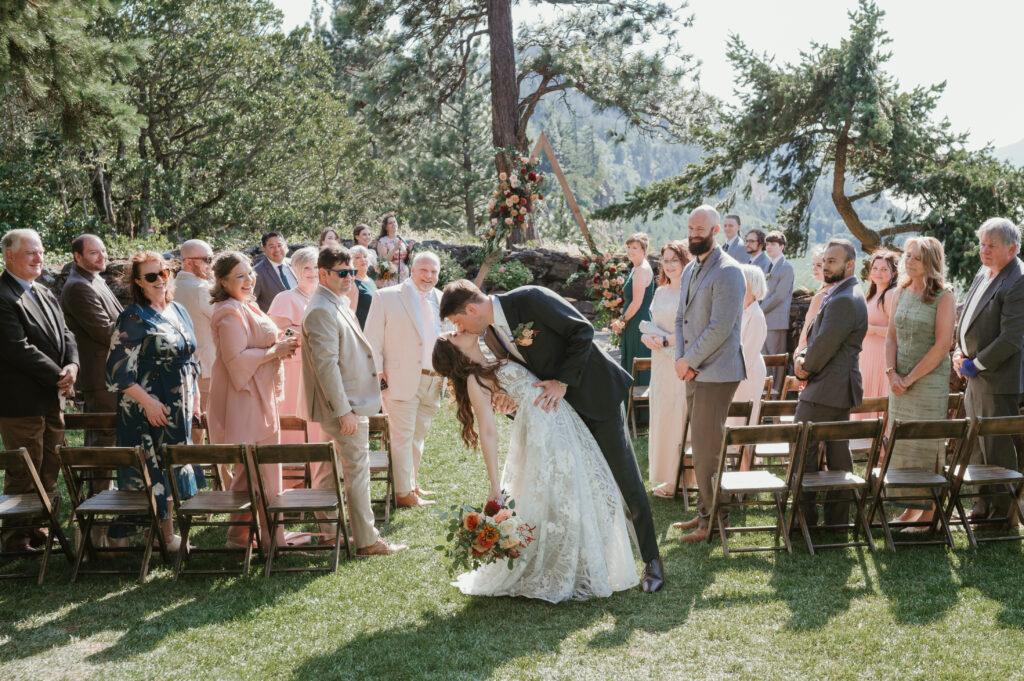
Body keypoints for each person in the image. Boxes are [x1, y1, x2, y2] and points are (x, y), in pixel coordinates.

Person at [439, 279, 664, 593]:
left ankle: (652, 561)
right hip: (562, 418)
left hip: (595, 396)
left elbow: (582, 331)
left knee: (625, 481)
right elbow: (526, 374)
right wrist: (511, 400)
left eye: (457, 321)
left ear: (471, 308)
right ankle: (592, 563)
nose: (458, 327)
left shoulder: (530, 299)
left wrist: (562, 382)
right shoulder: (489, 334)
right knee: (585, 489)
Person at [301, 245, 407, 556]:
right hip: (342, 404)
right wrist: (344, 410)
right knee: (356, 471)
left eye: (353, 272)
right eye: (343, 273)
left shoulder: (337, 302)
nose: (351, 277)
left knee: (327, 469)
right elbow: (327, 366)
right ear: (323, 274)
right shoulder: (321, 309)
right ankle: (367, 540)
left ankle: (328, 533)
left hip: (346, 401)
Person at [106, 251, 203, 550]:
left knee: (173, 461)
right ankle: (164, 535)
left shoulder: (179, 310)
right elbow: (116, 372)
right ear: (139, 282)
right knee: (155, 464)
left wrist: (196, 398)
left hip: (181, 403)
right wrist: (147, 402)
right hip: (150, 404)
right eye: (151, 276)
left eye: (164, 273)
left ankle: (163, 534)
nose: (160, 280)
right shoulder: (133, 316)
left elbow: (191, 359)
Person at [207, 251, 298, 548]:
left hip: (260, 392)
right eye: (240, 276)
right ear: (223, 281)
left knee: (251, 469)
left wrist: (281, 343)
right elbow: (235, 360)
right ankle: (274, 538)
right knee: (262, 467)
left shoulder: (248, 305)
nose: (249, 280)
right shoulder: (228, 312)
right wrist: (276, 352)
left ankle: (240, 535)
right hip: (243, 397)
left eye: (250, 273)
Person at [0, 229, 79, 552]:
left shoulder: (44, 291)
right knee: (24, 468)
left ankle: (37, 527)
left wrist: (72, 365)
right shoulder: (2, 295)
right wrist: (58, 375)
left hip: (51, 397)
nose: (39, 258)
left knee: (49, 464)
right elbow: (15, 347)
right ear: (9, 256)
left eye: (41, 252)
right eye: (31, 252)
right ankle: (13, 538)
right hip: (20, 401)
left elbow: (66, 333)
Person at [672, 206, 747, 542]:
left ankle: (716, 520)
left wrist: (689, 360)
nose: (694, 233)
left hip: (718, 371)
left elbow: (720, 328)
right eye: (690, 227)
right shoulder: (690, 269)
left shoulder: (730, 271)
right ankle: (704, 512)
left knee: (707, 449)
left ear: (716, 229)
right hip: (692, 368)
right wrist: (680, 358)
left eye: (700, 228)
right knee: (699, 446)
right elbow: (679, 320)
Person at [953, 217, 1024, 525]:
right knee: (976, 445)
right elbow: (968, 315)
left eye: (992, 245)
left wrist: (976, 363)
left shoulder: (1018, 279)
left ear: (1012, 247)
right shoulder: (984, 272)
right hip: (974, 376)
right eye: (982, 244)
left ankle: (1004, 514)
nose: (984, 251)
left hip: (997, 379)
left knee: (997, 448)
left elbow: (1012, 337)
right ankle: (982, 506)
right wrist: (959, 350)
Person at [793, 238, 868, 528]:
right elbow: (815, 338)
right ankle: (836, 521)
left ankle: (804, 521)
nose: (826, 266)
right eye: (824, 260)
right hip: (836, 387)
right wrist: (803, 356)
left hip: (826, 387)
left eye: (832, 261)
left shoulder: (845, 299)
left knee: (803, 450)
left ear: (850, 264)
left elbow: (823, 346)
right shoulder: (842, 293)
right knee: (838, 455)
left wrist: (803, 368)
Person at [364, 252, 445, 507]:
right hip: (399, 377)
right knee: (401, 436)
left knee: (418, 435)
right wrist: (378, 373)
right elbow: (371, 339)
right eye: (423, 270)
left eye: (433, 272)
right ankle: (401, 493)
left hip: (434, 379)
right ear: (412, 269)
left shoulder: (442, 299)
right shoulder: (386, 296)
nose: (428, 276)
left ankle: (412, 484)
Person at [884, 237, 955, 527]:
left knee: (925, 442)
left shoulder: (944, 296)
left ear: (931, 262)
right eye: (907, 256)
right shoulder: (899, 291)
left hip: (928, 382)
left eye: (915, 257)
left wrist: (910, 378)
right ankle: (910, 506)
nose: (908, 261)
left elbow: (942, 346)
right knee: (901, 443)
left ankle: (929, 510)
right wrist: (892, 374)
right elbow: (891, 337)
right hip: (898, 383)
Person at [639, 241, 690, 498]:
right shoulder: (660, 292)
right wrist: (647, 338)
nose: (668, 265)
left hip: (679, 362)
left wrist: (667, 340)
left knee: (678, 415)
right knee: (661, 414)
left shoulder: (691, 292)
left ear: (685, 262)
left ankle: (682, 478)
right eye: (665, 260)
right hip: (658, 362)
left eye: (674, 260)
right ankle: (665, 476)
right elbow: (653, 325)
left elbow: (693, 331)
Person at [61, 234, 122, 446]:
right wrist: (141, 321)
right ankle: (99, 481)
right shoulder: (79, 286)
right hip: (100, 376)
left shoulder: (95, 279)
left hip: (112, 372)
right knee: (103, 441)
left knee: (110, 438)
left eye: (103, 251)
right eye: (94, 253)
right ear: (78, 257)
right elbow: (105, 332)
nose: (102, 256)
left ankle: (105, 481)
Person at [268, 246, 324, 445]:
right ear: (295, 271)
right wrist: (307, 331)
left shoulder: (323, 297)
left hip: (322, 366)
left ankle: (320, 469)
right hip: (295, 367)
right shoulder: (285, 298)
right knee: (295, 415)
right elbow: (279, 332)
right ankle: (295, 469)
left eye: (316, 267)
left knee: (319, 420)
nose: (312, 272)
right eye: (306, 268)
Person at [174, 239, 218, 455]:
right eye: (207, 259)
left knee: (192, 422)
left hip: (182, 365)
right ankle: (215, 476)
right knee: (208, 423)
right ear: (189, 262)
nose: (211, 264)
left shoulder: (172, 286)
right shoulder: (201, 289)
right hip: (205, 366)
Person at [856, 249, 899, 419]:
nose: (878, 273)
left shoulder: (890, 294)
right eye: (875, 268)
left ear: (893, 273)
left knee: (876, 399)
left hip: (881, 357)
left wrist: (872, 329)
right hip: (867, 355)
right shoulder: (873, 294)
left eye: (884, 269)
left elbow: (897, 330)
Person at [734, 264, 769, 468]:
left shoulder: (756, 315)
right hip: (736, 369)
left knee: (746, 419)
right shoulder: (740, 309)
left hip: (748, 372)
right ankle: (737, 464)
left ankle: (746, 467)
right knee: (735, 419)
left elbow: (748, 352)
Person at [620, 233, 655, 397]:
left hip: (637, 323)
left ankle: (640, 413)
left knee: (637, 360)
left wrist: (621, 322)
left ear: (643, 250)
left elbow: (636, 303)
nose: (630, 251)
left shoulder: (641, 270)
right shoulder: (636, 268)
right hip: (634, 321)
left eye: (634, 248)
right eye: (628, 247)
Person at [760, 230, 794, 391]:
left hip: (777, 321)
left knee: (777, 362)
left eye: (773, 244)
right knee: (764, 360)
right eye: (767, 244)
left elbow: (779, 295)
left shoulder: (786, 268)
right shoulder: (768, 266)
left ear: (782, 247)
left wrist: (760, 309)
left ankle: (777, 394)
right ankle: (765, 392)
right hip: (764, 321)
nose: (769, 247)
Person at [796, 246, 833, 355]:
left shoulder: (822, 295)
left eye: (818, 265)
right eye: (814, 265)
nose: (814, 269)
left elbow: (808, 328)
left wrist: (800, 351)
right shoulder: (834, 290)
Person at [253, 231, 297, 312]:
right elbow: (251, 302)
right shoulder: (256, 272)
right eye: (272, 247)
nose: (277, 250)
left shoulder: (295, 264)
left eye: (279, 245)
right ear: (264, 249)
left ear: (286, 246)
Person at [347, 245, 378, 329]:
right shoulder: (352, 283)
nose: (363, 260)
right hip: (362, 329)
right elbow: (350, 314)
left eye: (365, 256)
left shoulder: (370, 280)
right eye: (357, 257)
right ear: (351, 262)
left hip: (374, 328)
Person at [375, 213, 409, 286]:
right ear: (386, 227)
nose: (394, 224)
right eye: (390, 223)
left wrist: (409, 255)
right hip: (391, 275)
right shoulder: (383, 241)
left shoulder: (401, 239)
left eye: (395, 222)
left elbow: (404, 260)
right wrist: (394, 249)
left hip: (404, 275)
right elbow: (384, 261)